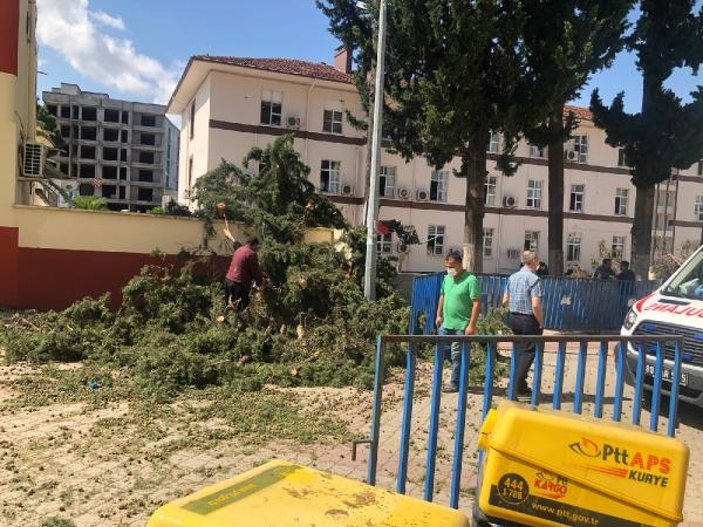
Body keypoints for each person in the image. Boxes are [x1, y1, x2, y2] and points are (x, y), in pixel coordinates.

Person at [435, 250, 482, 393]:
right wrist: (438, 315)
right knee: (444, 351)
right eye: (447, 267)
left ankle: (455, 383)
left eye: (452, 266)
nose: (450, 269)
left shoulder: (470, 280)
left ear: (460, 264)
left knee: (457, 354)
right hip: (446, 324)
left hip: (462, 325)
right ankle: (461, 372)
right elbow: (442, 296)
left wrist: (471, 325)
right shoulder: (447, 278)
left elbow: (476, 303)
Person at [502, 251, 545, 397]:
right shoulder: (534, 279)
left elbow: (504, 300)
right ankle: (513, 386)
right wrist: (541, 322)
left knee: (519, 351)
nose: (538, 262)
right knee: (527, 353)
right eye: (537, 259)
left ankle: (521, 386)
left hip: (513, 317)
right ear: (532, 261)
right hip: (528, 319)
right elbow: (535, 305)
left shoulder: (512, 277)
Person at [224, 236, 264, 311]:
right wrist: (260, 282)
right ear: (254, 244)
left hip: (228, 281)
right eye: (257, 246)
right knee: (241, 309)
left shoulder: (239, 249)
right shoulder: (251, 254)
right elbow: (255, 272)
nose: (257, 249)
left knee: (229, 309)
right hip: (238, 284)